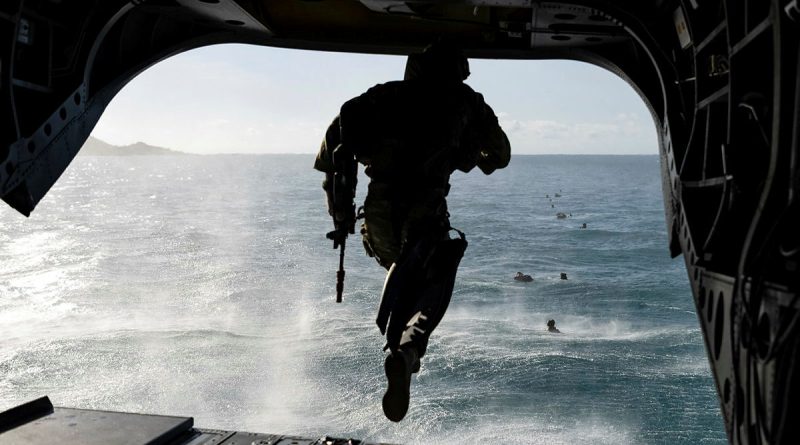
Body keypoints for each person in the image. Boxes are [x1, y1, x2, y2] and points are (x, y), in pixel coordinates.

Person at [314, 42, 511, 422]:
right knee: (435, 278)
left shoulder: (380, 98)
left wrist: (340, 219)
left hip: (379, 217)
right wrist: (469, 153)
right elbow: (500, 155)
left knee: (412, 271)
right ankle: (406, 351)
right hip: (425, 211)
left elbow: (334, 153)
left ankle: (404, 350)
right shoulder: (465, 103)